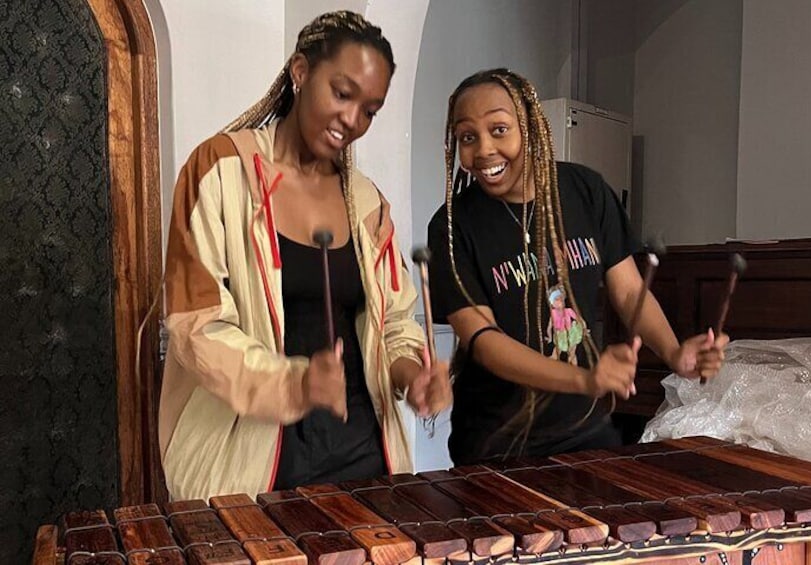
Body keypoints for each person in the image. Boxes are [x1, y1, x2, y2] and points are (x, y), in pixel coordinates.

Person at [159, 11, 451, 501]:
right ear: (300, 72)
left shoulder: (368, 202)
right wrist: (295, 384)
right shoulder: (219, 169)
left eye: (370, 110)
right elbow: (196, 326)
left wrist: (411, 376)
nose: (353, 121)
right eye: (342, 93)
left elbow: (394, 323)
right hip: (247, 471)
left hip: (366, 458)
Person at [427, 68, 727, 465]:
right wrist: (585, 379)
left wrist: (674, 352)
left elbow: (628, 291)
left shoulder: (585, 191)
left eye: (499, 129)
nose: (483, 149)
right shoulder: (452, 226)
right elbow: (483, 341)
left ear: (531, 128)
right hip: (495, 442)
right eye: (468, 136)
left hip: (585, 430)